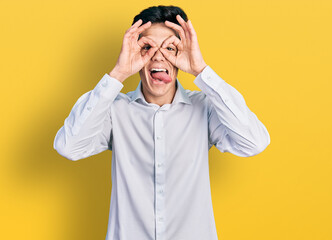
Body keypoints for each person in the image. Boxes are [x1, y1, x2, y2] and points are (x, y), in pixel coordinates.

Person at [53, 5, 270, 240]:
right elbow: (69, 147)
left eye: (170, 48)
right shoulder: (114, 109)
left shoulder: (205, 108)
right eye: (146, 47)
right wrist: (118, 73)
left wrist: (201, 70)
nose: (158, 56)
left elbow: (254, 143)